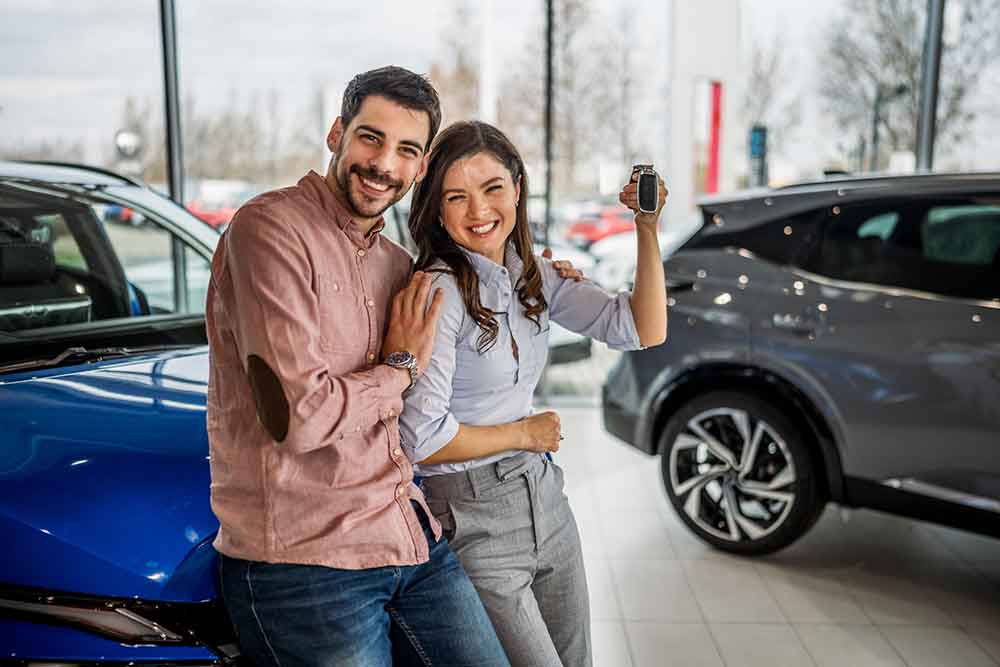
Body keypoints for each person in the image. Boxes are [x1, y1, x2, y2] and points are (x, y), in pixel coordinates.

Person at [205, 66, 513, 666]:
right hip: (306, 564)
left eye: (406, 150)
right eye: (370, 138)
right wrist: (398, 370)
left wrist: (541, 284)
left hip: (408, 538)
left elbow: (460, 363)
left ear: (421, 168)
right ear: (336, 132)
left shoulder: (396, 265)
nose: (383, 165)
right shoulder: (270, 231)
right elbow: (298, 418)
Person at [398, 120, 668, 667]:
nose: (479, 211)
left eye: (493, 188)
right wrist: (526, 432)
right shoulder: (437, 292)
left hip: (545, 497)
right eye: (457, 196)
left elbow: (640, 329)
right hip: (471, 515)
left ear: (518, 190)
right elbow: (421, 440)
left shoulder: (534, 277)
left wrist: (646, 228)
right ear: (436, 208)